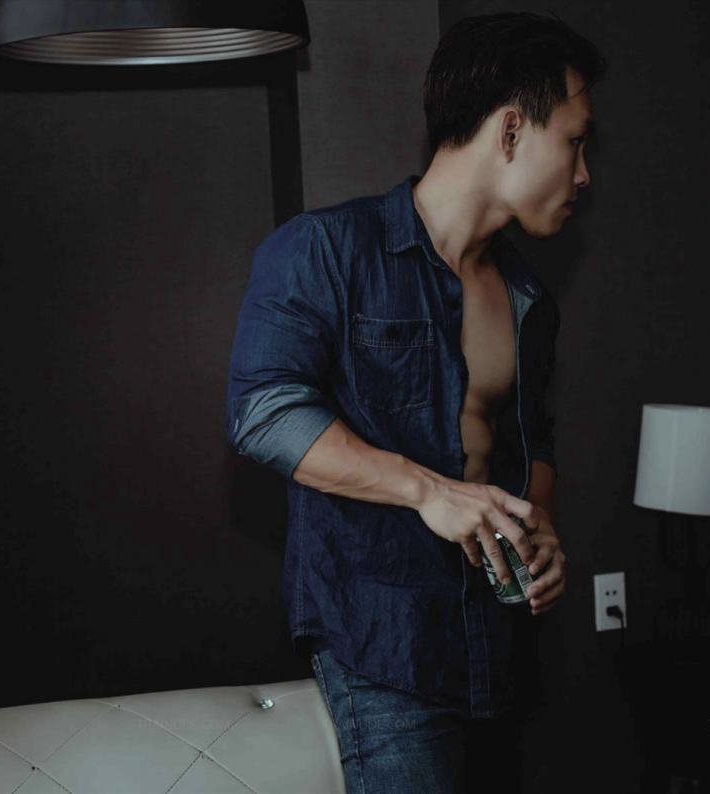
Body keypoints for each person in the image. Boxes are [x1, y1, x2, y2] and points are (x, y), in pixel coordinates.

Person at [225, 11, 606, 793]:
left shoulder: (528, 297)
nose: (582, 175)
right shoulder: (326, 250)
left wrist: (541, 527)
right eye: (573, 142)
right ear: (510, 130)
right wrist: (427, 491)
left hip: (504, 646)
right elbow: (263, 410)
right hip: (384, 647)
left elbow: (530, 442)